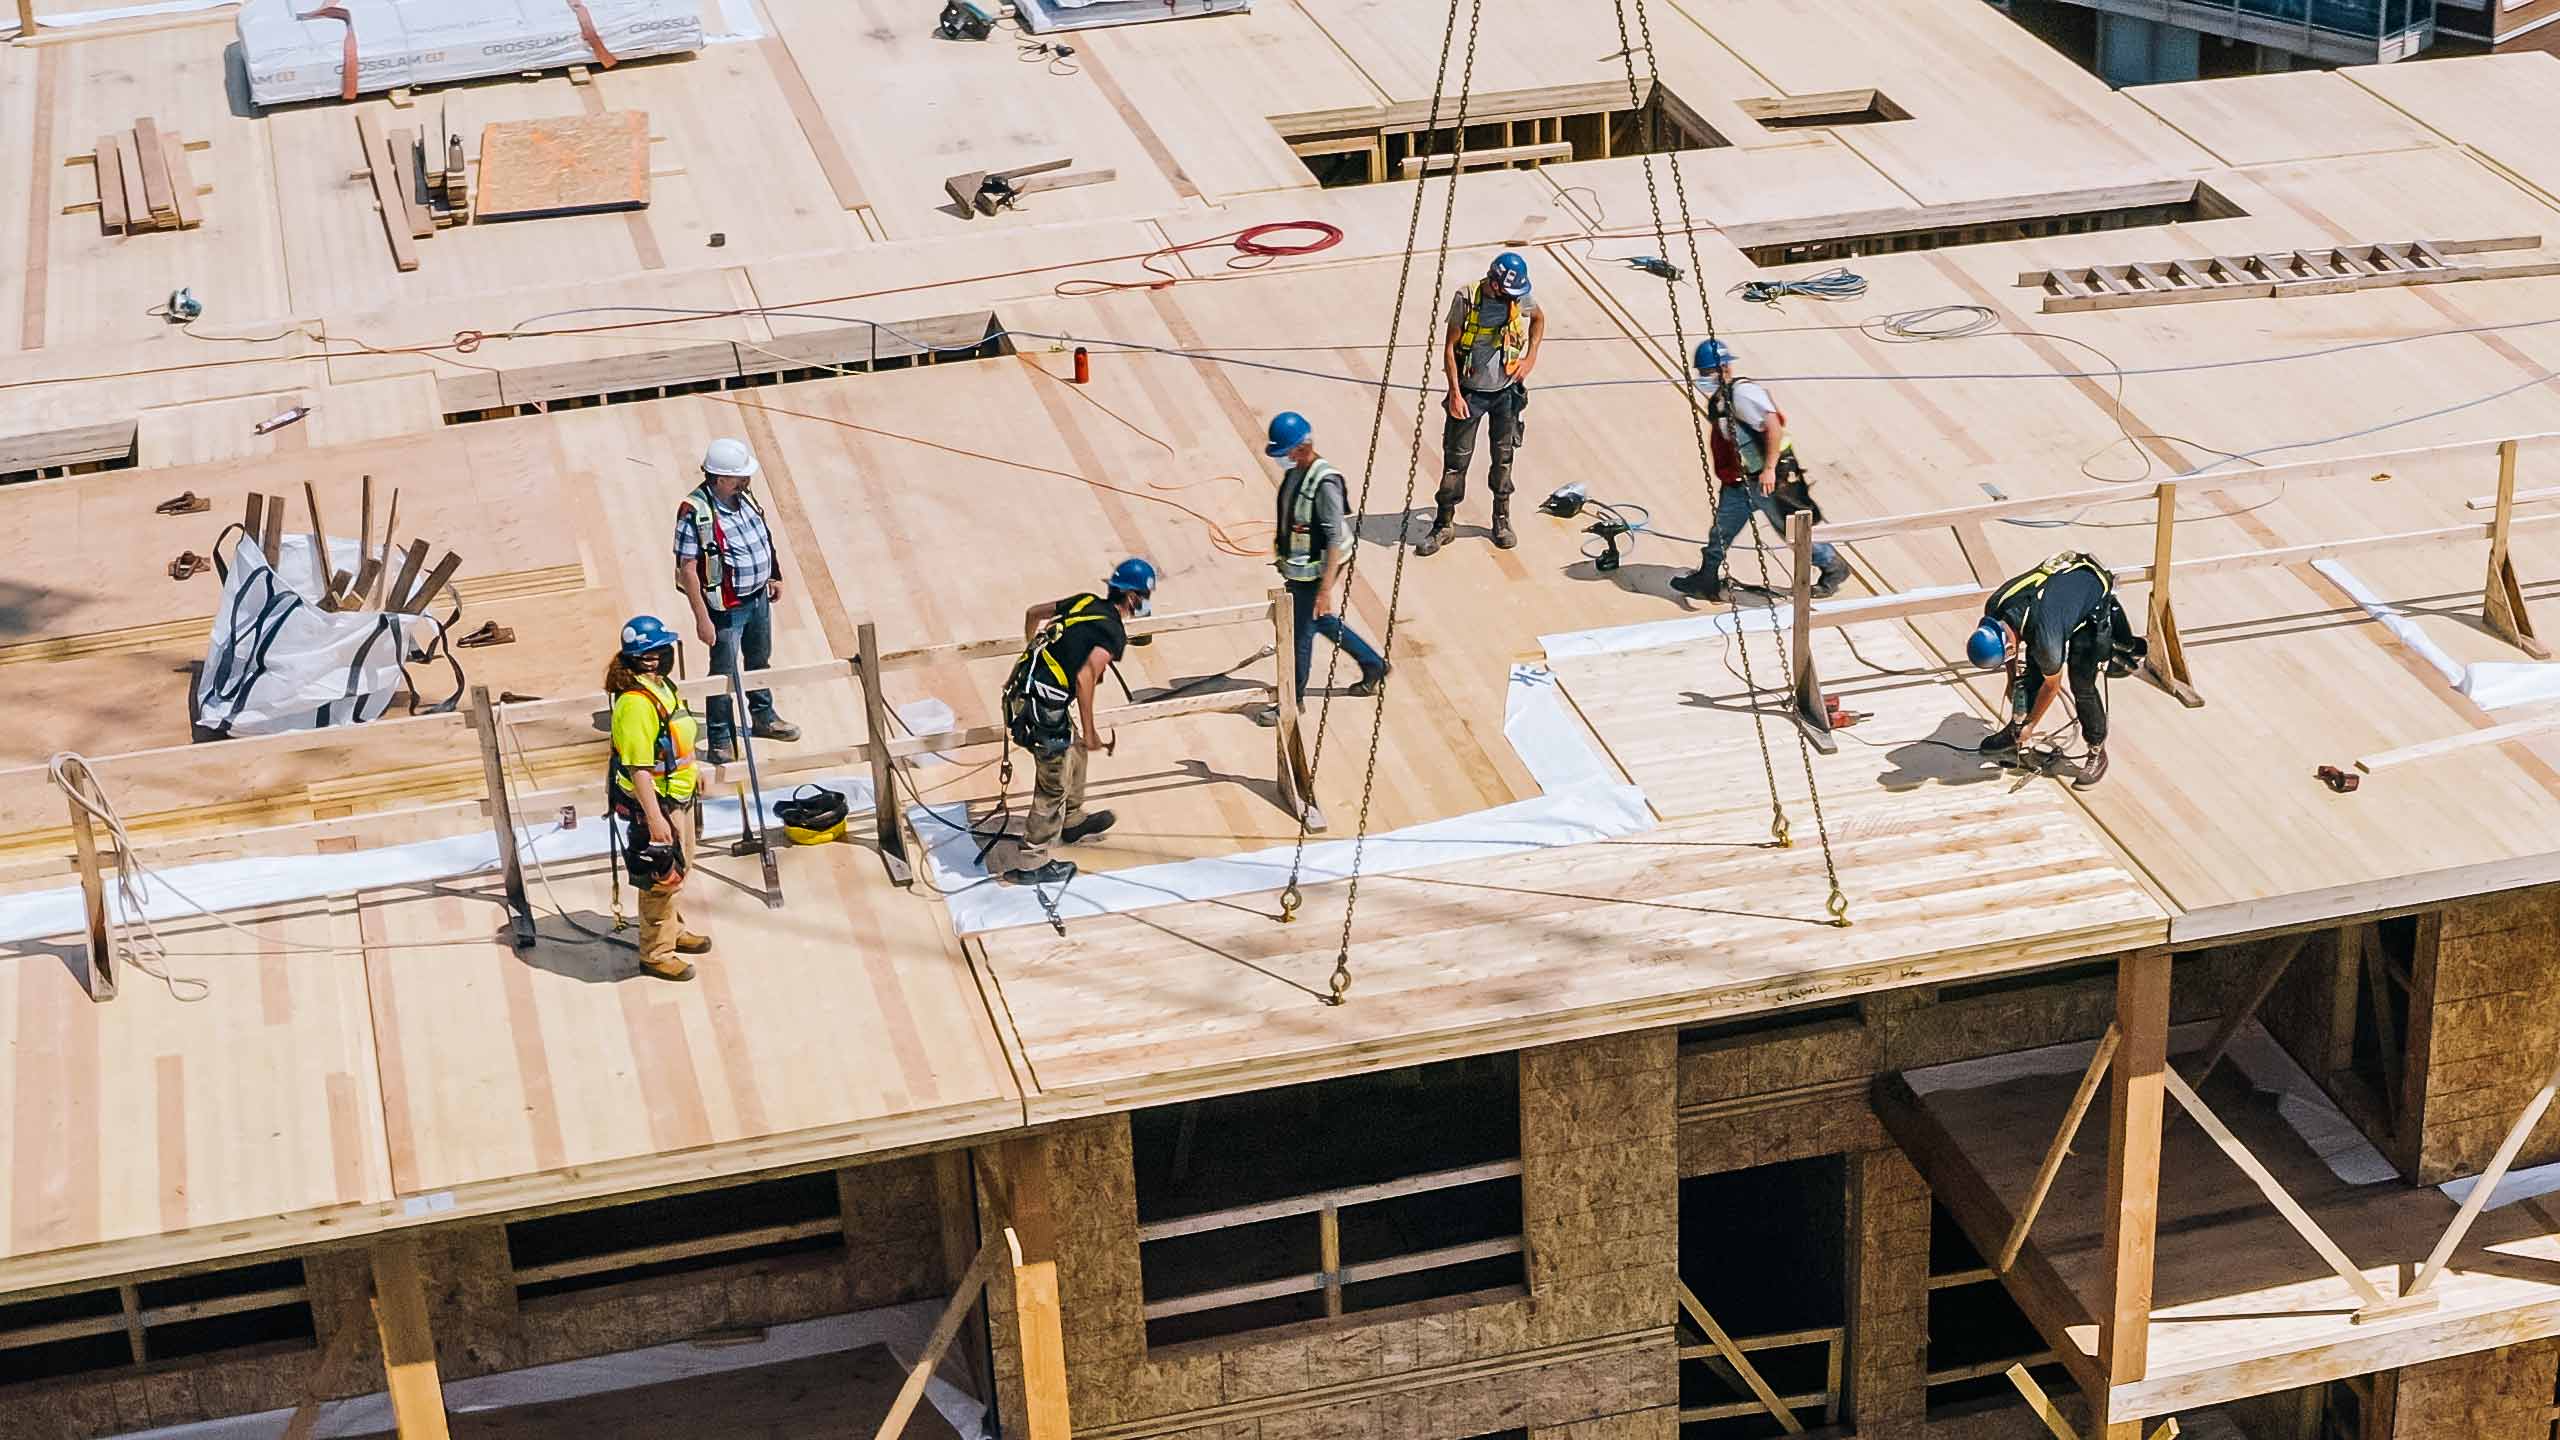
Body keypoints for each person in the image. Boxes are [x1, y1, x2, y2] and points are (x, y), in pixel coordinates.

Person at [1003, 558, 1157, 887]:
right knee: (1052, 783)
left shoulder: (1086, 600)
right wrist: (1091, 731)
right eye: (1143, 596)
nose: (1143, 604)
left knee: (1073, 749)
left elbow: (1033, 613)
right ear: (1132, 597)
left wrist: (1032, 655)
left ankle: (1071, 820)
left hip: (1024, 691)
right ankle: (1032, 862)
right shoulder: (1113, 633)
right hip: (1043, 708)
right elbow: (1086, 677)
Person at [1672, 340, 1851, 603]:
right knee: (1721, 530)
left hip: (1770, 480)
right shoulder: (1720, 400)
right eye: (1702, 373)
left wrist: (1768, 469)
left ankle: (1834, 568)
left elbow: (1774, 427)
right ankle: (1706, 578)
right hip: (1739, 481)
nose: (1704, 378)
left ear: (1724, 368)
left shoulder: (1743, 394)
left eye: (1708, 372)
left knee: (1790, 531)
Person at [675, 437, 801, 766]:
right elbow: (687, 570)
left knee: (759, 660)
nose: (746, 480)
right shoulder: (695, 512)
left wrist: (773, 574)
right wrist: (702, 619)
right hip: (727, 609)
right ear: (718, 478)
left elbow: (761, 536)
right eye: (738, 476)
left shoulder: (743, 498)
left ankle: (763, 717)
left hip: (757, 597)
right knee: (723, 672)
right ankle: (719, 738)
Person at [1422, 251, 1546, 557]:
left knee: (1503, 458)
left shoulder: (1519, 296)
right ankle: (1444, 523)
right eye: (1506, 292)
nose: (1510, 299)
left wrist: (1530, 358)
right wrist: (1454, 393)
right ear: (1493, 282)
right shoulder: (1466, 298)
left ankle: (1501, 519)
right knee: (1456, 461)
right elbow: (1450, 348)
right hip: (1470, 394)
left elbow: (1539, 318)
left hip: (1505, 393)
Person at [607, 616, 710, 981]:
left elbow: (676, 738)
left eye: (658, 651)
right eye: (647, 654)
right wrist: (654, 817)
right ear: (634, 658)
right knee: (661, 878)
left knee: (681, 868)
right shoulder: (635, 703)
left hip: (678, 794)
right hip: (657, 802)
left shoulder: (662, 686)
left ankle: (672, 930)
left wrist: (692, 773)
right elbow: (638, 767)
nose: (655, 658)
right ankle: (655, 953)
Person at [1967, 552, 2120, 789]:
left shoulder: (2046, 640)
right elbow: (2010, 647)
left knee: (2082, 683)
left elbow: (2052, 686)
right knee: (2030, 673)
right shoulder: (1995, 607)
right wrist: (2012, 679)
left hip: (2090, 600)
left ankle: (2097, 752)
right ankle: (2014, 733)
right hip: (2052, 601)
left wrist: (2030, 725)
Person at [1265, 411, 1388, 703]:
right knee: (1318, 622)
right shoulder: (1296, 473)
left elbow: (1333, 538)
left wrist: (1324, 590)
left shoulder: (1325, 485)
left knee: (1301, 635)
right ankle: (1373, 665)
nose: (1282, 459)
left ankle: (1292, 700)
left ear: (1301, 448)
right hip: (1300, 570)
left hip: (1318, 571)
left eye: (1285, 452)